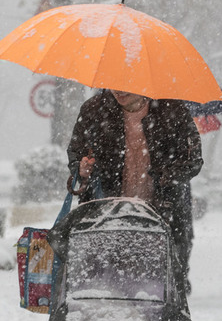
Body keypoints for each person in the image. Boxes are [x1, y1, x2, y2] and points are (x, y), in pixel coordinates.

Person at [67, 89, 203, 295]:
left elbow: (193, 161)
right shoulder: (94, 110)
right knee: (104, 291)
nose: (118, 90)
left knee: (159, 295)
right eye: (113, 81)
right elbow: (76, 152)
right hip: (106, 215)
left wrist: (166, 175)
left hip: (161, 216)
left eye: (126, 83)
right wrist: (81, 167)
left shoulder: (172, 109)